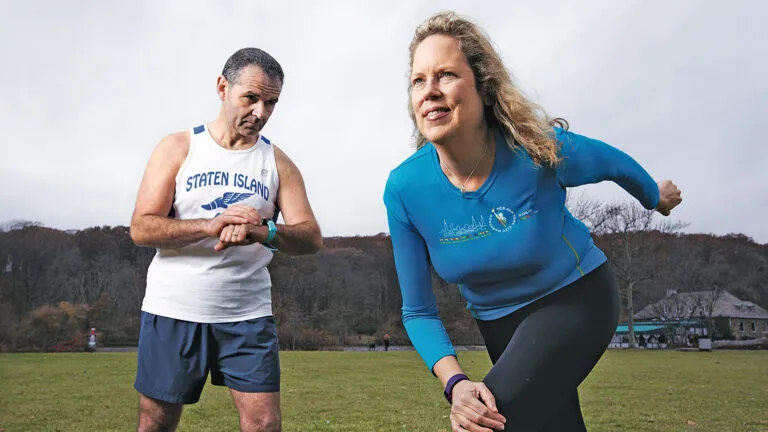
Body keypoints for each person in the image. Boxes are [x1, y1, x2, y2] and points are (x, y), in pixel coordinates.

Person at [383, 12, 682, 432]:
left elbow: (612, 162)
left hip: (575, 298)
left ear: (483, 88)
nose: (429, 91)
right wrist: (455, 382)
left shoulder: (536, 149)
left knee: (487, 419)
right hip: (499, 325)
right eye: (418, 80)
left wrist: (655, 196)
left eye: (446, 75)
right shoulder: (404, 188)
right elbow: (417, 311)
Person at [130, 47, 322, 432]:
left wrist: (261, 231)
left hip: (246, 315)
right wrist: (210, 225)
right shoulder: (179, 147)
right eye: (251, 98)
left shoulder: (277, 163)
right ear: (222, 87)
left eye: (271, 102)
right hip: (174, 310)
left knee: (264, 423)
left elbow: (310, 237)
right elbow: (142, 228)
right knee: (156, 422)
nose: (261, 112)